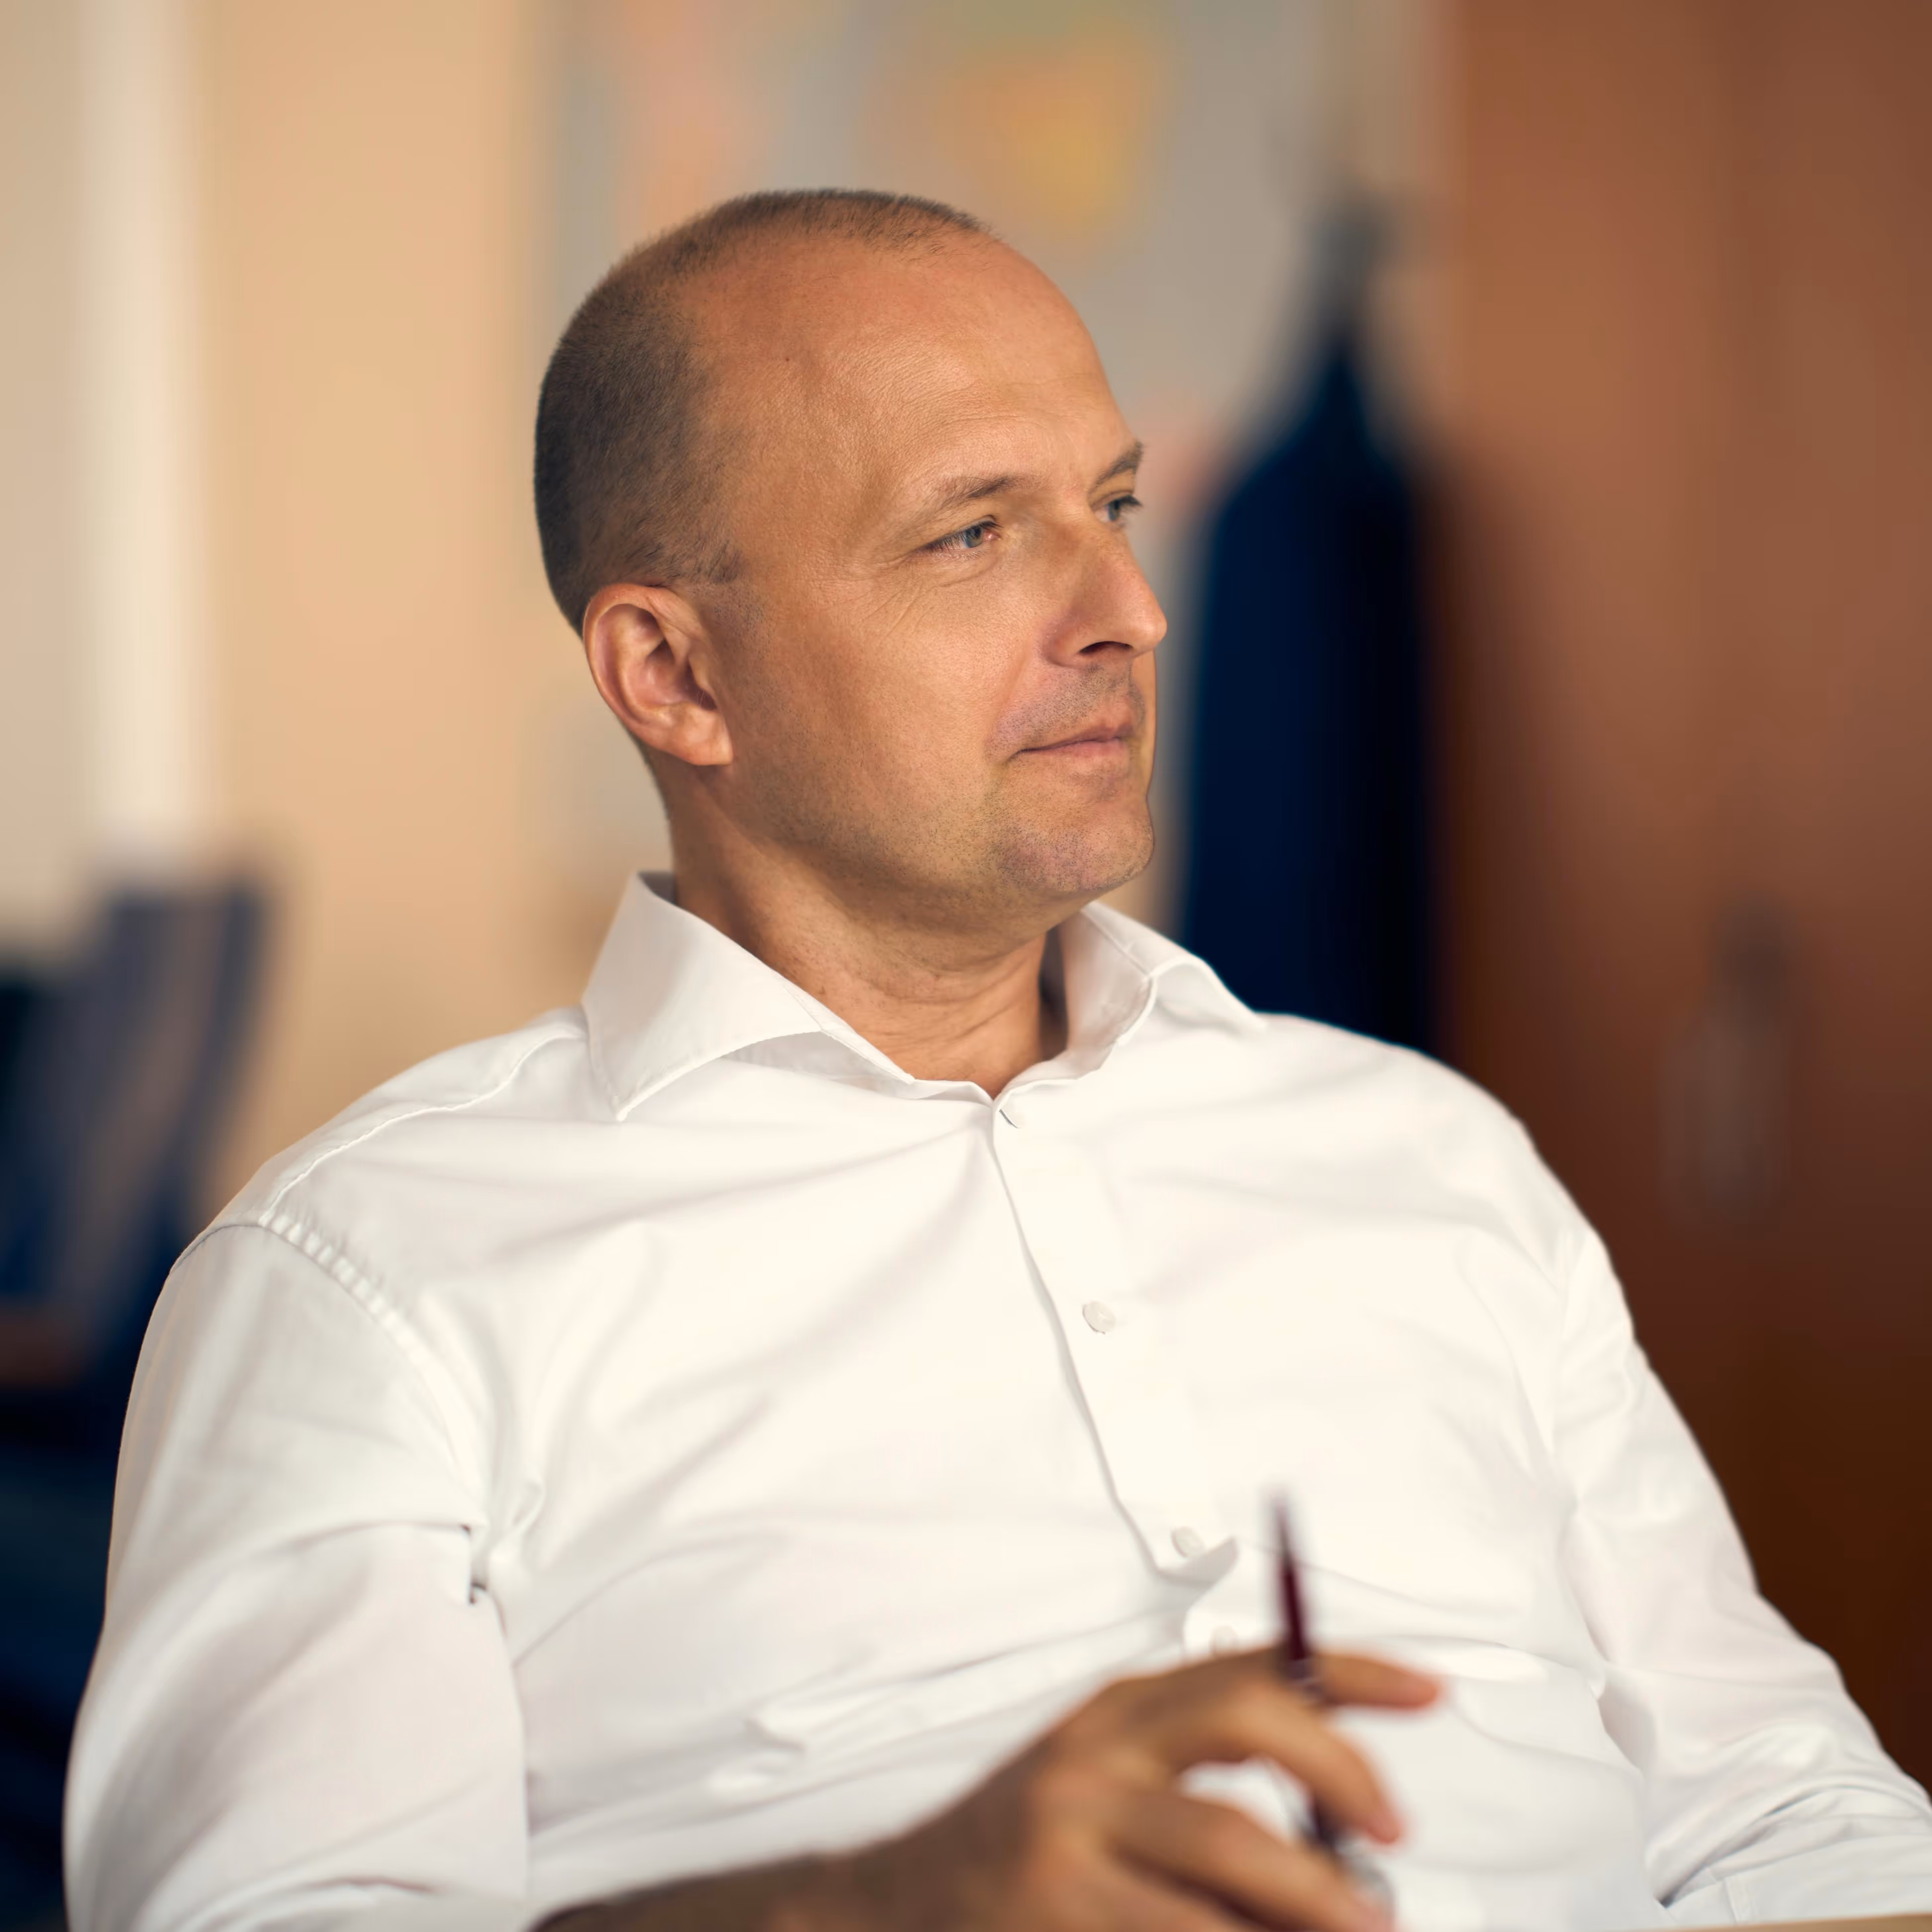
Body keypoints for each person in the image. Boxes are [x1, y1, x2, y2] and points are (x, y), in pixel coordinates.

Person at [65, 190, 1932, 1932]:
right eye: (974, 532)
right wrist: (885, 1901)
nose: (1129, 612)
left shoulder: (1427, 1154)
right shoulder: (373, 1279)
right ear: (675, 676)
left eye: (1111, 507)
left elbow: (1779, 1809)